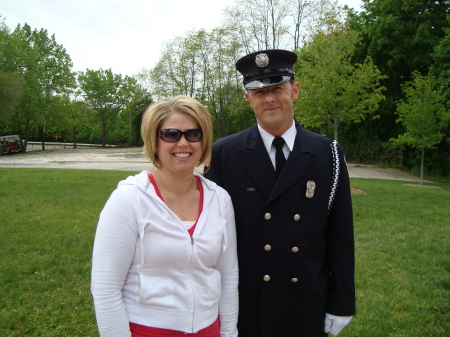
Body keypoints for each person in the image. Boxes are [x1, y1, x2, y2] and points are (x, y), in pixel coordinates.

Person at [204, 50, 355, 337]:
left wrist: (343, 301)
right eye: (259, 92)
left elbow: (340, 234)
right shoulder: (223, 154)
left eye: (277, 89)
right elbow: (212, 237)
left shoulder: (328, 153)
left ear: (294, 90)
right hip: (245, 303)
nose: (269, 99)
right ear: (248, 98)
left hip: (306, 302)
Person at [91, 95, 239, 337]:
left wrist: (228, 333)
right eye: (171, 134)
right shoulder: (129, 199)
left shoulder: (220, 199)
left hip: (208, 329)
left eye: (193, 134)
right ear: (154, 141)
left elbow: (228, 276)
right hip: (147, 330)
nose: (183, 143)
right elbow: (106, 289)